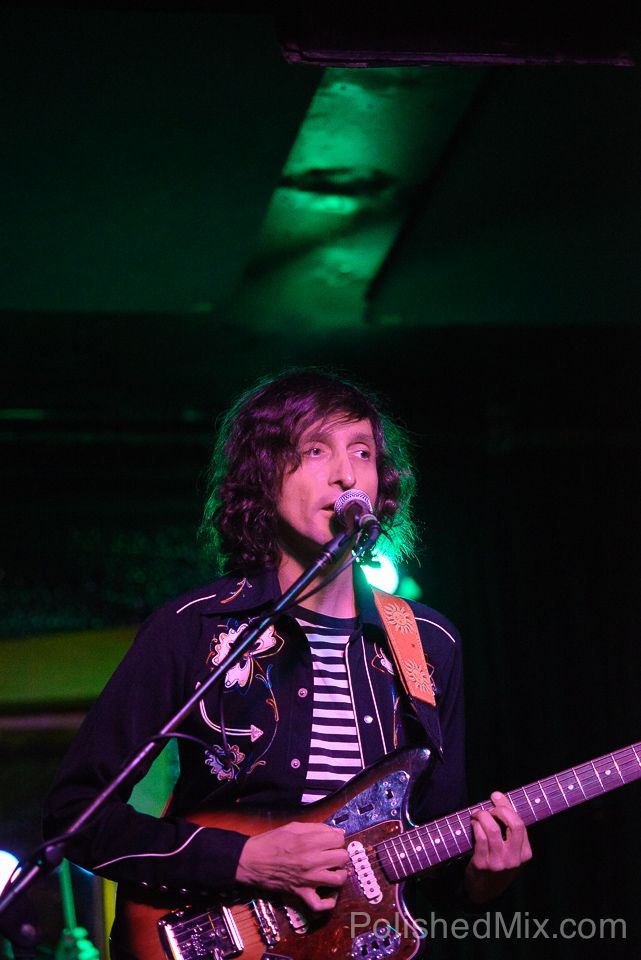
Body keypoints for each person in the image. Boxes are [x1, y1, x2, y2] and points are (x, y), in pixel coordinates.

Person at [43, 368, 531, 949]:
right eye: (316, 450)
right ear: (264, 474)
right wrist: (243, 860)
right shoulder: (195, 627)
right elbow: (75, 816)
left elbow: (431, 855)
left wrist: (481, 880)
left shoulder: (427, 641)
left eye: (362, 452)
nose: (347, 473)